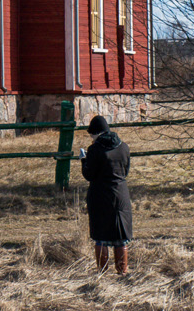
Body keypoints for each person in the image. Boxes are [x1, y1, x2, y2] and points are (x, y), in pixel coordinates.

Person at [79, 114, 133, 275]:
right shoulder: (124, 147)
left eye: (91, 135)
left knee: (101, 236)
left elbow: (89, 174)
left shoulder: (94, 150)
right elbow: (126, 171)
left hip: (100, 195)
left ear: (95, 134)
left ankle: (102, 273)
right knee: (120, 235)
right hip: (121, 194)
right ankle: (122, 271)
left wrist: (83, 160)